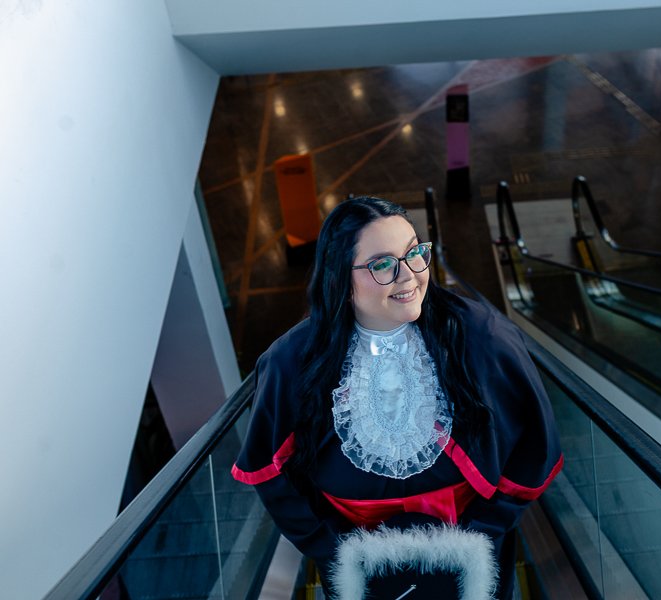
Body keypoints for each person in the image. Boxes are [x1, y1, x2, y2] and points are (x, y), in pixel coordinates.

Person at [232, 196, 562, 599]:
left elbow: (535, 443)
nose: (408, 276)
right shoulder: (291, 360)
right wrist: (332, 549)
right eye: (382, 264)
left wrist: (484, 532)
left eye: (414, 254)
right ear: (340, 277)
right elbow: (267, 468)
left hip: (474, 561)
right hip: (355, 568)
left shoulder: (483, 338)